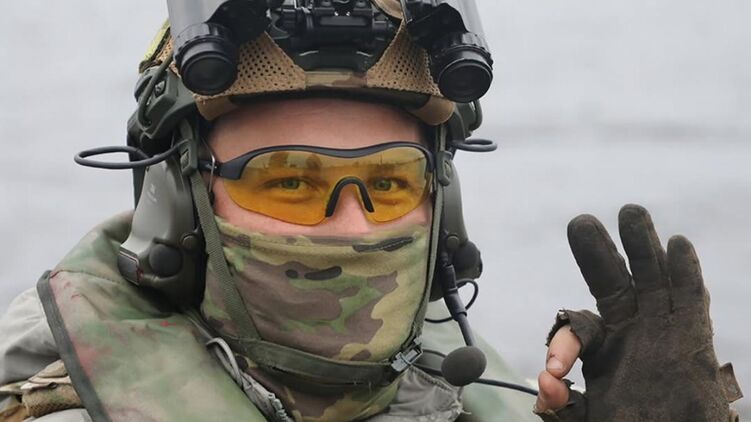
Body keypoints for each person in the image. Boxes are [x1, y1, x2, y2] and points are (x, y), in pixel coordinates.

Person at [0, 1, 742, 421]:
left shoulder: (473, 392)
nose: (354, 228)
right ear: (176, 207)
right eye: (288, 183)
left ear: (443, 211)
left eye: (389, 185)